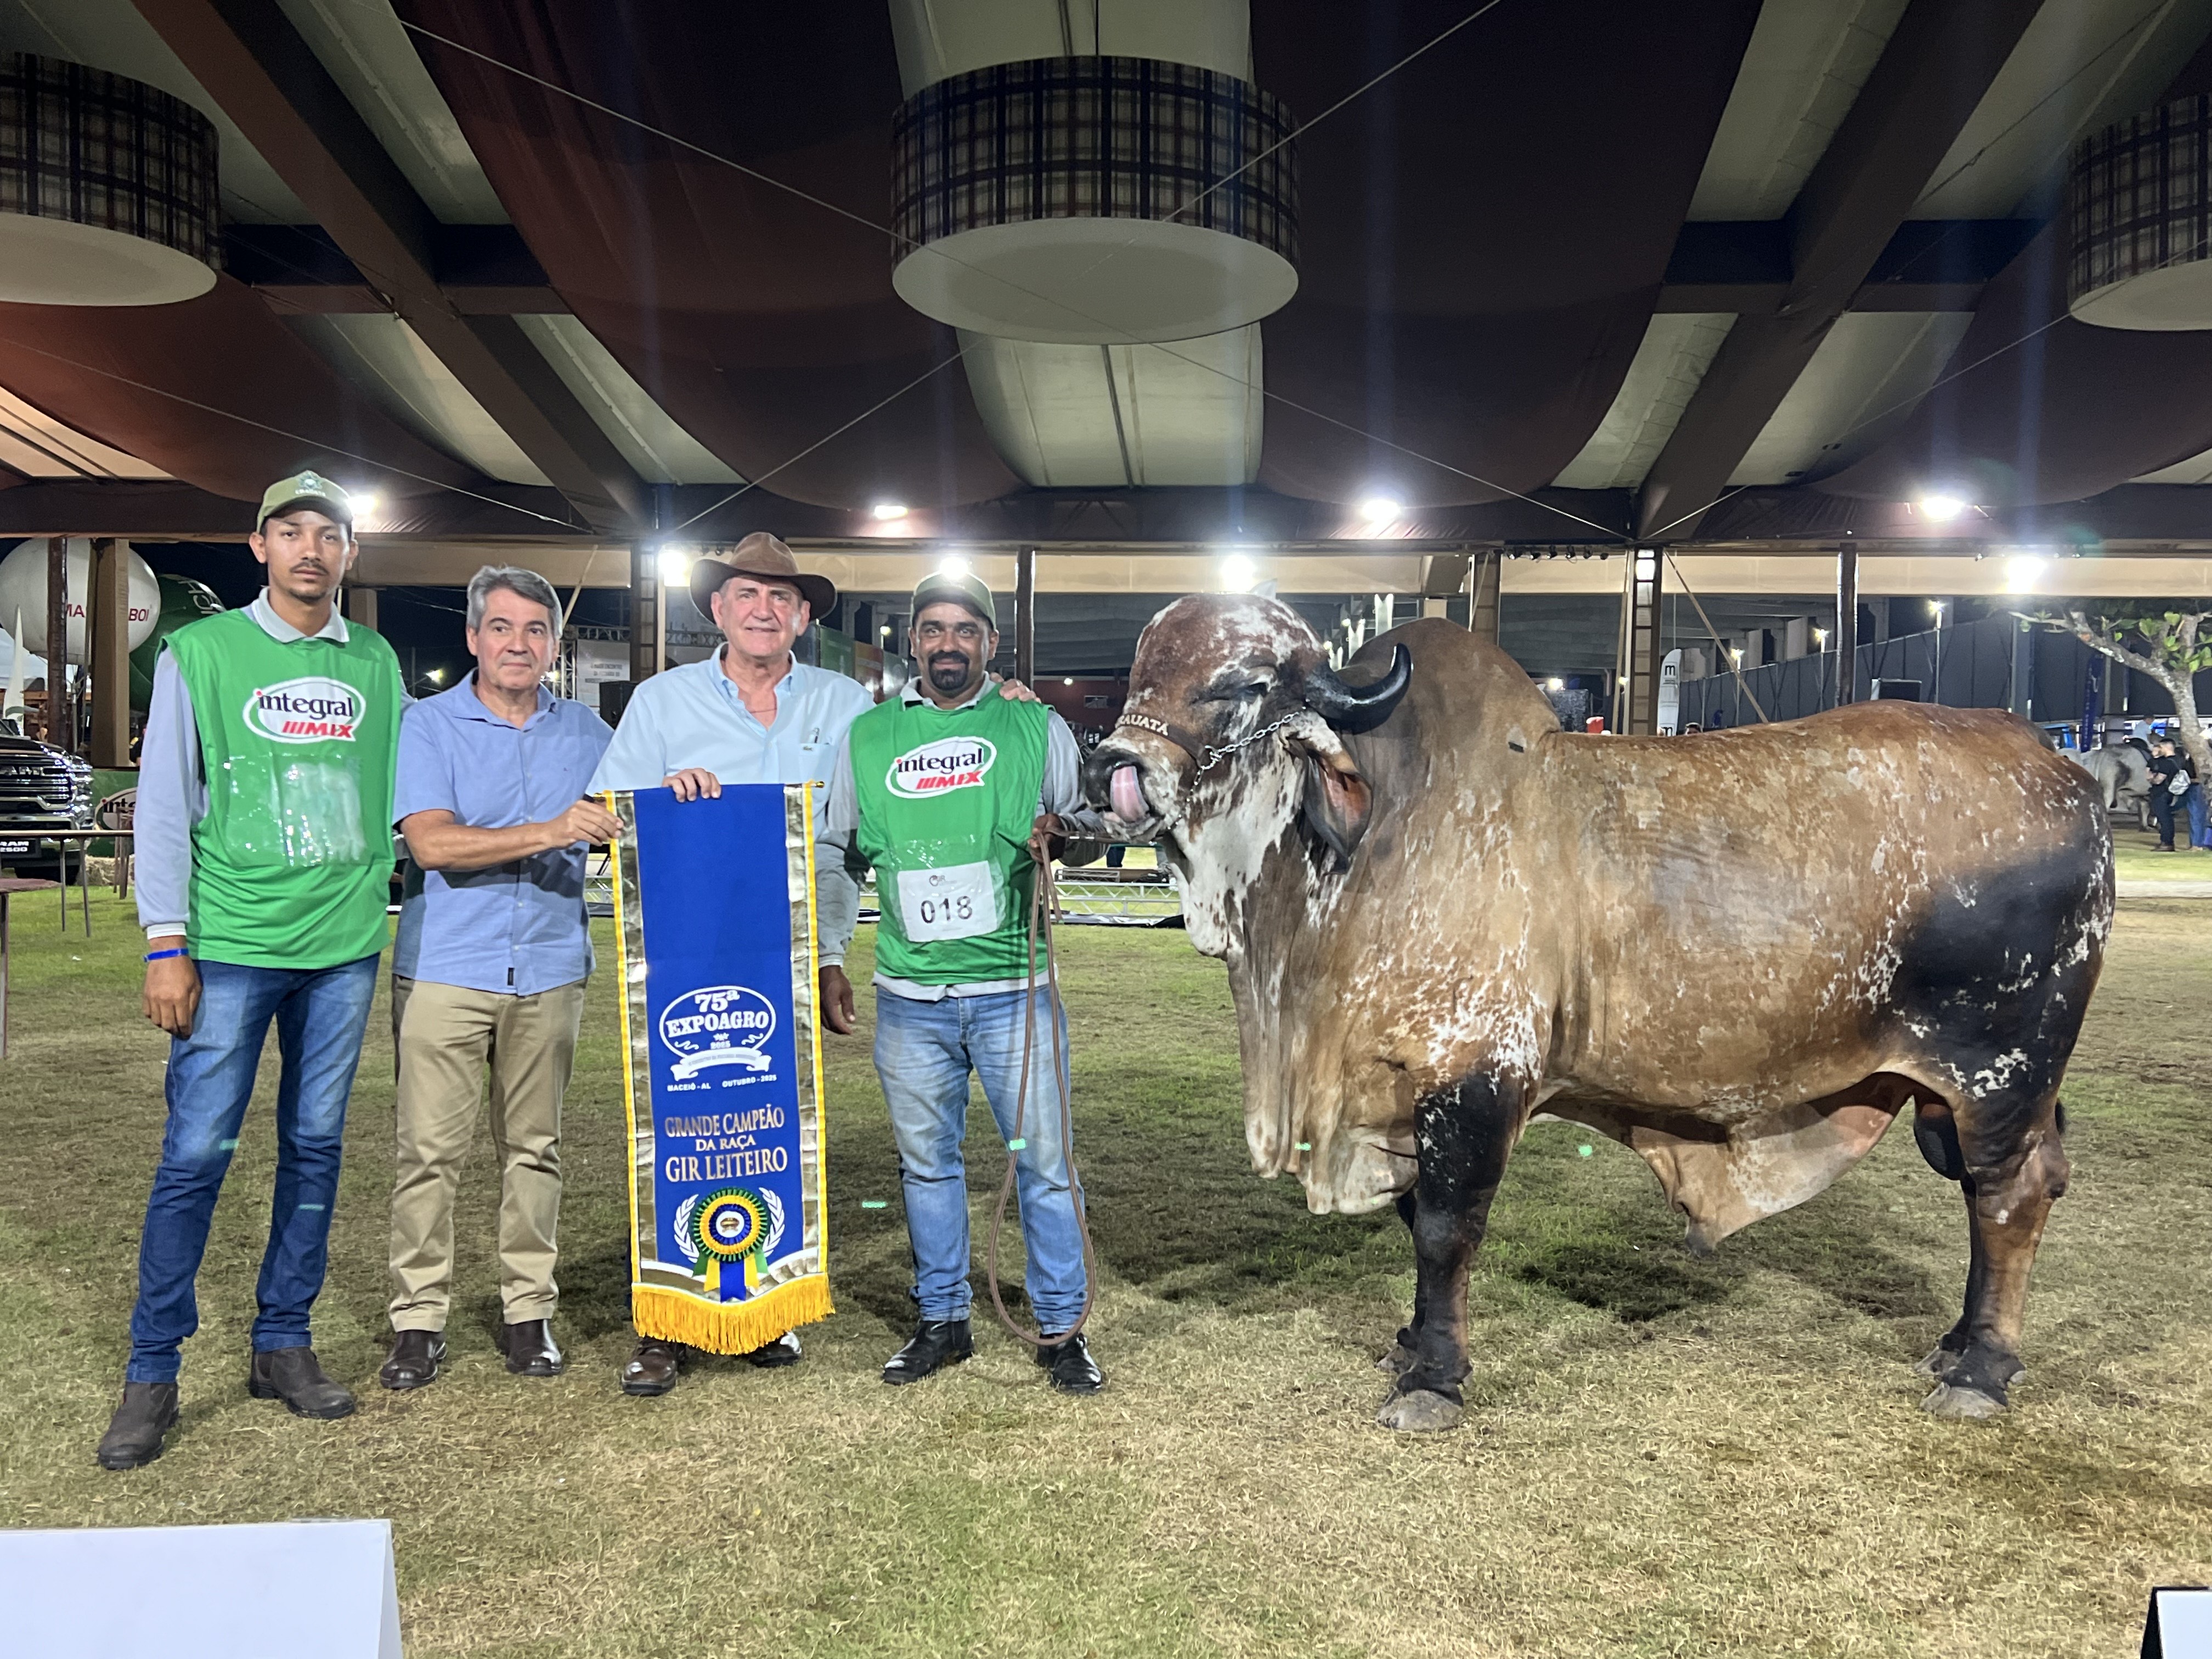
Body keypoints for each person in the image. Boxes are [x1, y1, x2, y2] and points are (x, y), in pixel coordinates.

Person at [99, 472, 404, 1470]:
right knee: (194, 1154)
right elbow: (161, 804)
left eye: (331, 533)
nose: (312, 548)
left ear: (351, 553)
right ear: (259, 545)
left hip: (344, 946)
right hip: (228, 945)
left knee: (315, 1148)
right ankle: (153, 1369)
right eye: (292, 531)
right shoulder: (202, 651)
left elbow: (407, 785)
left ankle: (284, 1341)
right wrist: (164, 940)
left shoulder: (375, 657)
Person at [819, 568, 1111, 1396]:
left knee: (1046, 1165)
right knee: (927, 1167)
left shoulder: (1034, 724)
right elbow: (839, 854)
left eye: (966, 631)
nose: (949, 645)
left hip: (1014, 991)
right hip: (911, 998)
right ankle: (941, 1321)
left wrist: (1067, 836)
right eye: (934, 631)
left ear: (989, 642)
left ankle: (1061, 1329)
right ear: (914, 642)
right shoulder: (867, 737)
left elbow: (1087, 830)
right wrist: (832, 953)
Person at [589, 531, 870, 1394]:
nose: (763, 609)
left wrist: (830, 956)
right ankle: (667, 1320)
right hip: (685, 951)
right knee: (676, 1129)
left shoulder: (847, 703)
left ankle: (761, 1307)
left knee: (778, 1126)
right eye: (746, 595)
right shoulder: (663, 703)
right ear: (715, 608)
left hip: (794, 955)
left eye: (781, 598)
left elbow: (859, 839)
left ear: (804, 616)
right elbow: (611, 821)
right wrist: (660, 805)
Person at [380, 567, 616, 1392]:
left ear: (555, 644)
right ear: (474, 637)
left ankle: (528, 1313)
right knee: (428, 1154)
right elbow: (433, 845)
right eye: (503, 628)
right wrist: (556, 829)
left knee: (536, 1151)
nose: (519, 645)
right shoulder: (429, 726)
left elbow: (633, 825)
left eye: (536, 631)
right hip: (448, 967)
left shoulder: (588, 731)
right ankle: (417, 1322)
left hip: (551, 967)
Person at [2147, 736, 2196, 852]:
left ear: (2165, 747)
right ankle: (2167, 841)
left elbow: (2159, 779)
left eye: (2160, 747)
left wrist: (2152, 779)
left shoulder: (2166, 763)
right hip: (2171, 793)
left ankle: (2167, 843)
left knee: (2164, 818)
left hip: (2162, 793)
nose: (2159, 749)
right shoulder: (2179, 760)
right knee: (2167, 818)